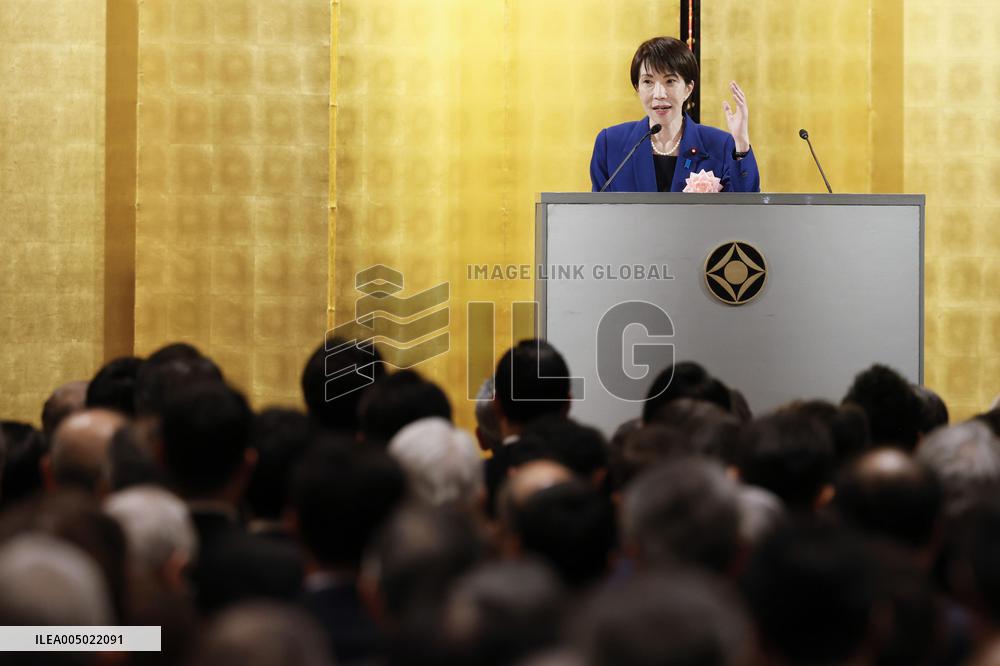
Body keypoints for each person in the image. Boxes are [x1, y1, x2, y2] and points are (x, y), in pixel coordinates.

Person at [590, 36, 760, 193]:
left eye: (670, 81)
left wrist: (742, 145)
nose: (659, 94)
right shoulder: (609, 144)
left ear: (688, 88)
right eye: (648, 82)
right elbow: (597, 214)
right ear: (637, 87)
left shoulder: (721, 145)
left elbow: (745, 210)